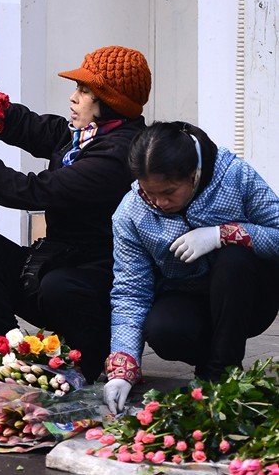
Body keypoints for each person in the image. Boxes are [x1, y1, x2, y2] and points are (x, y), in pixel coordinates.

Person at [0, 45, 152, 383]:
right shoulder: (89, 134)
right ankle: (12, 348)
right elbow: (35, 129)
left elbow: (37, 191)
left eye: (84, 91)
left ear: (110, 101)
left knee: (58, 286)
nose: (73, 98)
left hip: (96, 280)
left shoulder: (119, 153)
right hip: (57, 263)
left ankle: (88, 355)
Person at [103, 121, 279, 414]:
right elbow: (130, 291)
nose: (160, 203)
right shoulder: (130, 213)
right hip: (188, 296)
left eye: (170, 192)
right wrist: (122, 368)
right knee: (162, 329)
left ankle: (222, 377)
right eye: (150, 193)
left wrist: (223, 234)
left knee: (233, 261)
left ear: (193, 174)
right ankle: (210, 365)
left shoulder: (235, 176)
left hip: (248, 295)